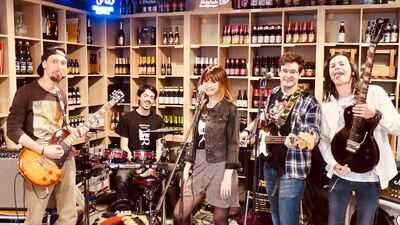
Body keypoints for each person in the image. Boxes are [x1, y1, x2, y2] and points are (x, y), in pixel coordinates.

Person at [240, 52, 321, 225]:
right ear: (279, 72)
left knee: (288, 220)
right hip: (270, 165)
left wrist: (302, 139)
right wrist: (248, 131)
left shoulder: (309, 101)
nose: (288, 76)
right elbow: (263, 118)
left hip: (291, 169)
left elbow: (314, 132)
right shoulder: (274, 93)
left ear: (300, 74)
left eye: (293, 72)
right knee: (275, 217)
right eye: (285, 71)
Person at [319, 53, 400, 225]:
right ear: (329, 76)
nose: (336, 68)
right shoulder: (326, 107)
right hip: (340, 175)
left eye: (341, 64)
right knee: (334, 222)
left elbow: (397, 127)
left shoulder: (375, 93)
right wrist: (333, 164)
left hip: (371, 176)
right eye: (332, 66)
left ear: (353, 72)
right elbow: (323, 140)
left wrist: (376, 114)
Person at [7, 48, 78, 225]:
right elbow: (13, 130)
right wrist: (43, 149)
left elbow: (60, 127)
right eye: (54, 61)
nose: (59, 66)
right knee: (35, 218)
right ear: (44, 64)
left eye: (63, 63)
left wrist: (69, 139)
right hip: (38, 160)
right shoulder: (26, 92)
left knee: (69, 215)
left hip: (64, 159)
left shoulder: (61, 94)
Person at [173, 65, 240, 225]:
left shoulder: (231, 109)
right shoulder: (200, 107)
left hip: (221, 166)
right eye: (206, 81)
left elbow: (233, 144)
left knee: (219, 219)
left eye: (214, 81)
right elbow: (194, 139)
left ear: (222, 83)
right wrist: (188, 165)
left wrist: (227, 176)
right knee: (179, 214)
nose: (209, 85)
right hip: (199, 164)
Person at [113, 84, 165, 207]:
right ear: (139, 97)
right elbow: (124, 145)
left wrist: (154, 164)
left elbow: (159, 146)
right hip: (131, 162)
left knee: (175, 171)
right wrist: (133, 162)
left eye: (152, 97)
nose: (148, 99)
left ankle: (165, 210)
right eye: (145, 95)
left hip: (152, 162)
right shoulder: (127, 118)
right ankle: (124, 211)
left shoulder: (158, 120)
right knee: (121, 177)